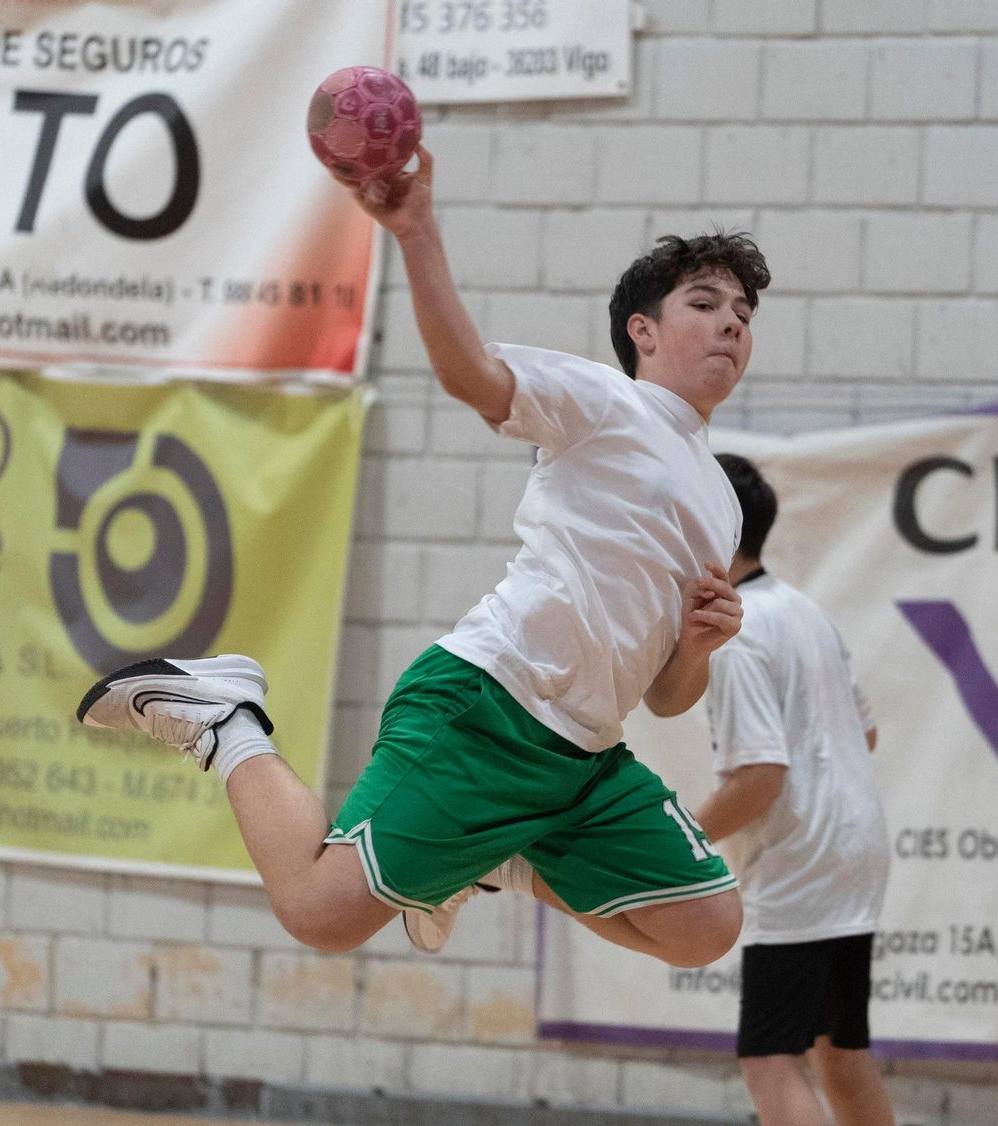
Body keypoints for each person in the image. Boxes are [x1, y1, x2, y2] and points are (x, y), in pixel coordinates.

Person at [76, 146, 770, 968]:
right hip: (488, 708)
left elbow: (666, 699)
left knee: (706, 927)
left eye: (744, 313)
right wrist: (415, 231)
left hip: (585, 760)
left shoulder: (722, 503)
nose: (732, 321)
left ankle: (498, 858)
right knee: (317, 913)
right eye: (706, 302)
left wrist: (697, 648)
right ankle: (227, 718)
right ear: (642, 331)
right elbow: (471, 376)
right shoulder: (605, 403)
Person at [696, 454, 896, 1126]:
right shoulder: (806, 611)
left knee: (767, 1061)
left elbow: (759, 778)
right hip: (856, 850)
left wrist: (679, 840)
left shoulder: (737, 633)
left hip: (802, 862)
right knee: (839, 1050)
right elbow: (862, 736)